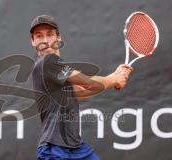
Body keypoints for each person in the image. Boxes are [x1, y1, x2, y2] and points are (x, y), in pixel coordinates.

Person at [30, 15, 133, 160]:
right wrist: (114, 79)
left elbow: (82, 90)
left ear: (59, 38)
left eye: (50, 34)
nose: (45, 41)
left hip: (77, 148)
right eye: (39, 36)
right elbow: (88, 83)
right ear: (33, 41)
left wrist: (114, 76)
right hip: (54, 150)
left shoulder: (54, 69)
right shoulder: (46, 62)